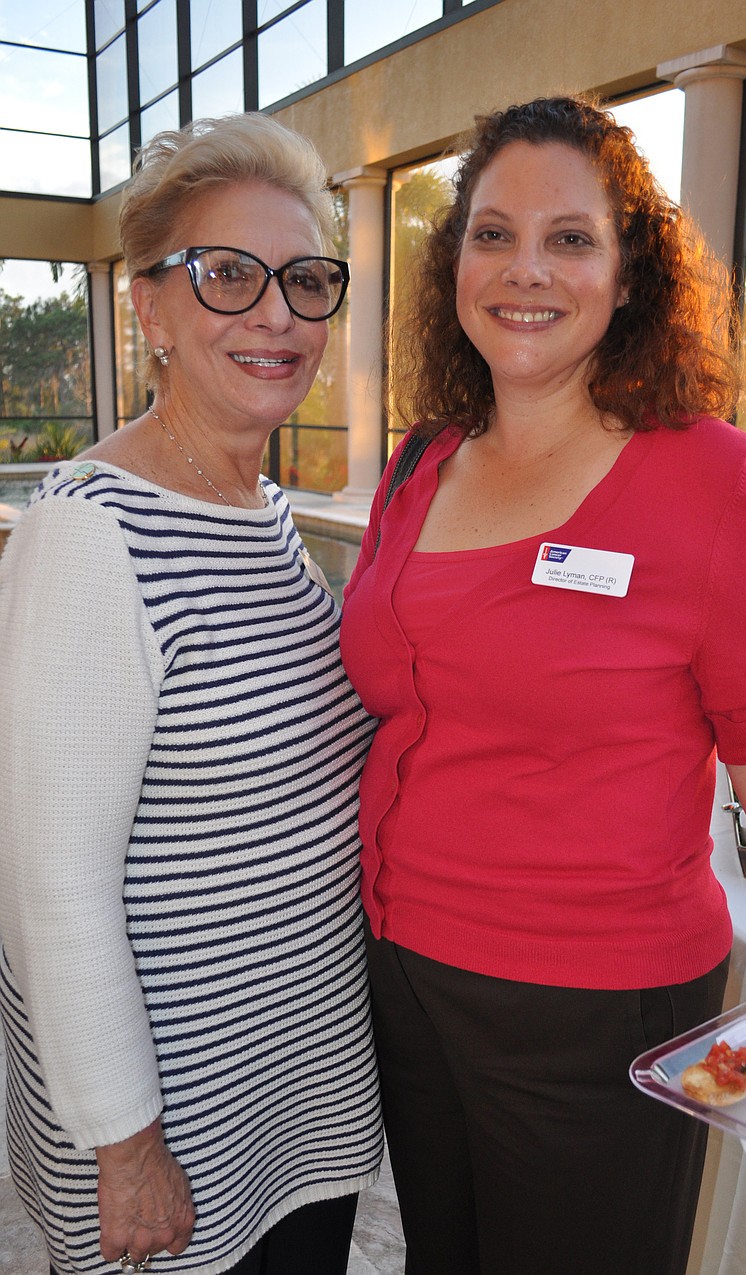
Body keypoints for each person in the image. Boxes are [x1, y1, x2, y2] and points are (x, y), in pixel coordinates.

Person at [339, 95, 746, 1275]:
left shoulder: (708, 478)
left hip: (592, 1000)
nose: (525, 269)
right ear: (455, 264)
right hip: (403, 971)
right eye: (493, 234)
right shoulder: (421, 460)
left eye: (569, 238)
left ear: (628, 279)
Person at [0, 114, 382, 1275]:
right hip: (174, 1128)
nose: (276, 315)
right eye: (227, 274)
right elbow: (53, 885)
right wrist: (125, 1145)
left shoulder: (259, 512)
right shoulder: (91, 529)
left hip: (291, 1092)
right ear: (151, 310)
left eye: (305, 280)